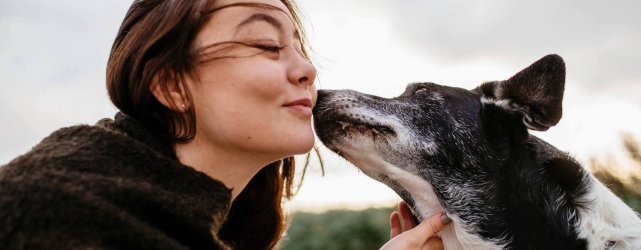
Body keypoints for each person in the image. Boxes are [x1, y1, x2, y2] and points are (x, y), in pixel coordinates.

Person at [0, 0, 451, 249]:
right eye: (264, 43)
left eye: (298, 47)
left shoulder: (229, 226)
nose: (307, 70)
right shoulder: (52, 214)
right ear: (170, 84)